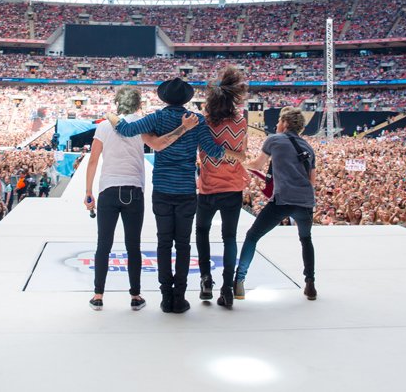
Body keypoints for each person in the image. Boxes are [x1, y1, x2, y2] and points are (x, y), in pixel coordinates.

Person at [109, 77, 243, 314]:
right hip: (185, 191)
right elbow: (212, 152)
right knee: (182, 245)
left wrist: (111, 117)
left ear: (164, 97)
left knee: (163, 243)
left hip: (161, 189)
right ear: (186, 99)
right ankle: (179, 298)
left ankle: (165, 297)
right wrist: (238, 155)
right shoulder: (197, 120)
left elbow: (126, 130)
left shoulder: (157, 117)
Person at [84, 87, 198, 311]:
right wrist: (183, 129)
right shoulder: (143, 125)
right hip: (133, 189)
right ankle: (135, 296)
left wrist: (88, 192)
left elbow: (93, 161)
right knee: (133, 245)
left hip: (108, 189)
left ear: (118, 103)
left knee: (103, 244)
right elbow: (158, 145)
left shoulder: (104, 126)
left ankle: (98, 295)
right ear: (138, 105)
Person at [235, 106, 317, 301]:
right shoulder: (308, 147)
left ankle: (239, 282)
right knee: (306, 240)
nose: (276, 124)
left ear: (286, 123)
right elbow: (311, 181)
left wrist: (239, 163)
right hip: (305, 202)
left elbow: (257, 165)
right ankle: (310, 284)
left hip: (282, 200)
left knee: (252, 236)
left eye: (279, 121)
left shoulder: (274, 139)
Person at [195, 66, 249, 308]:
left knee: (202, 233)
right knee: (229, 238)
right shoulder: (241, 122)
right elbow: (243, 153)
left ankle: (206, 279)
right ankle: (227, 288)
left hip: (207, 188)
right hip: (233, 189)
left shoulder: (203, 124)